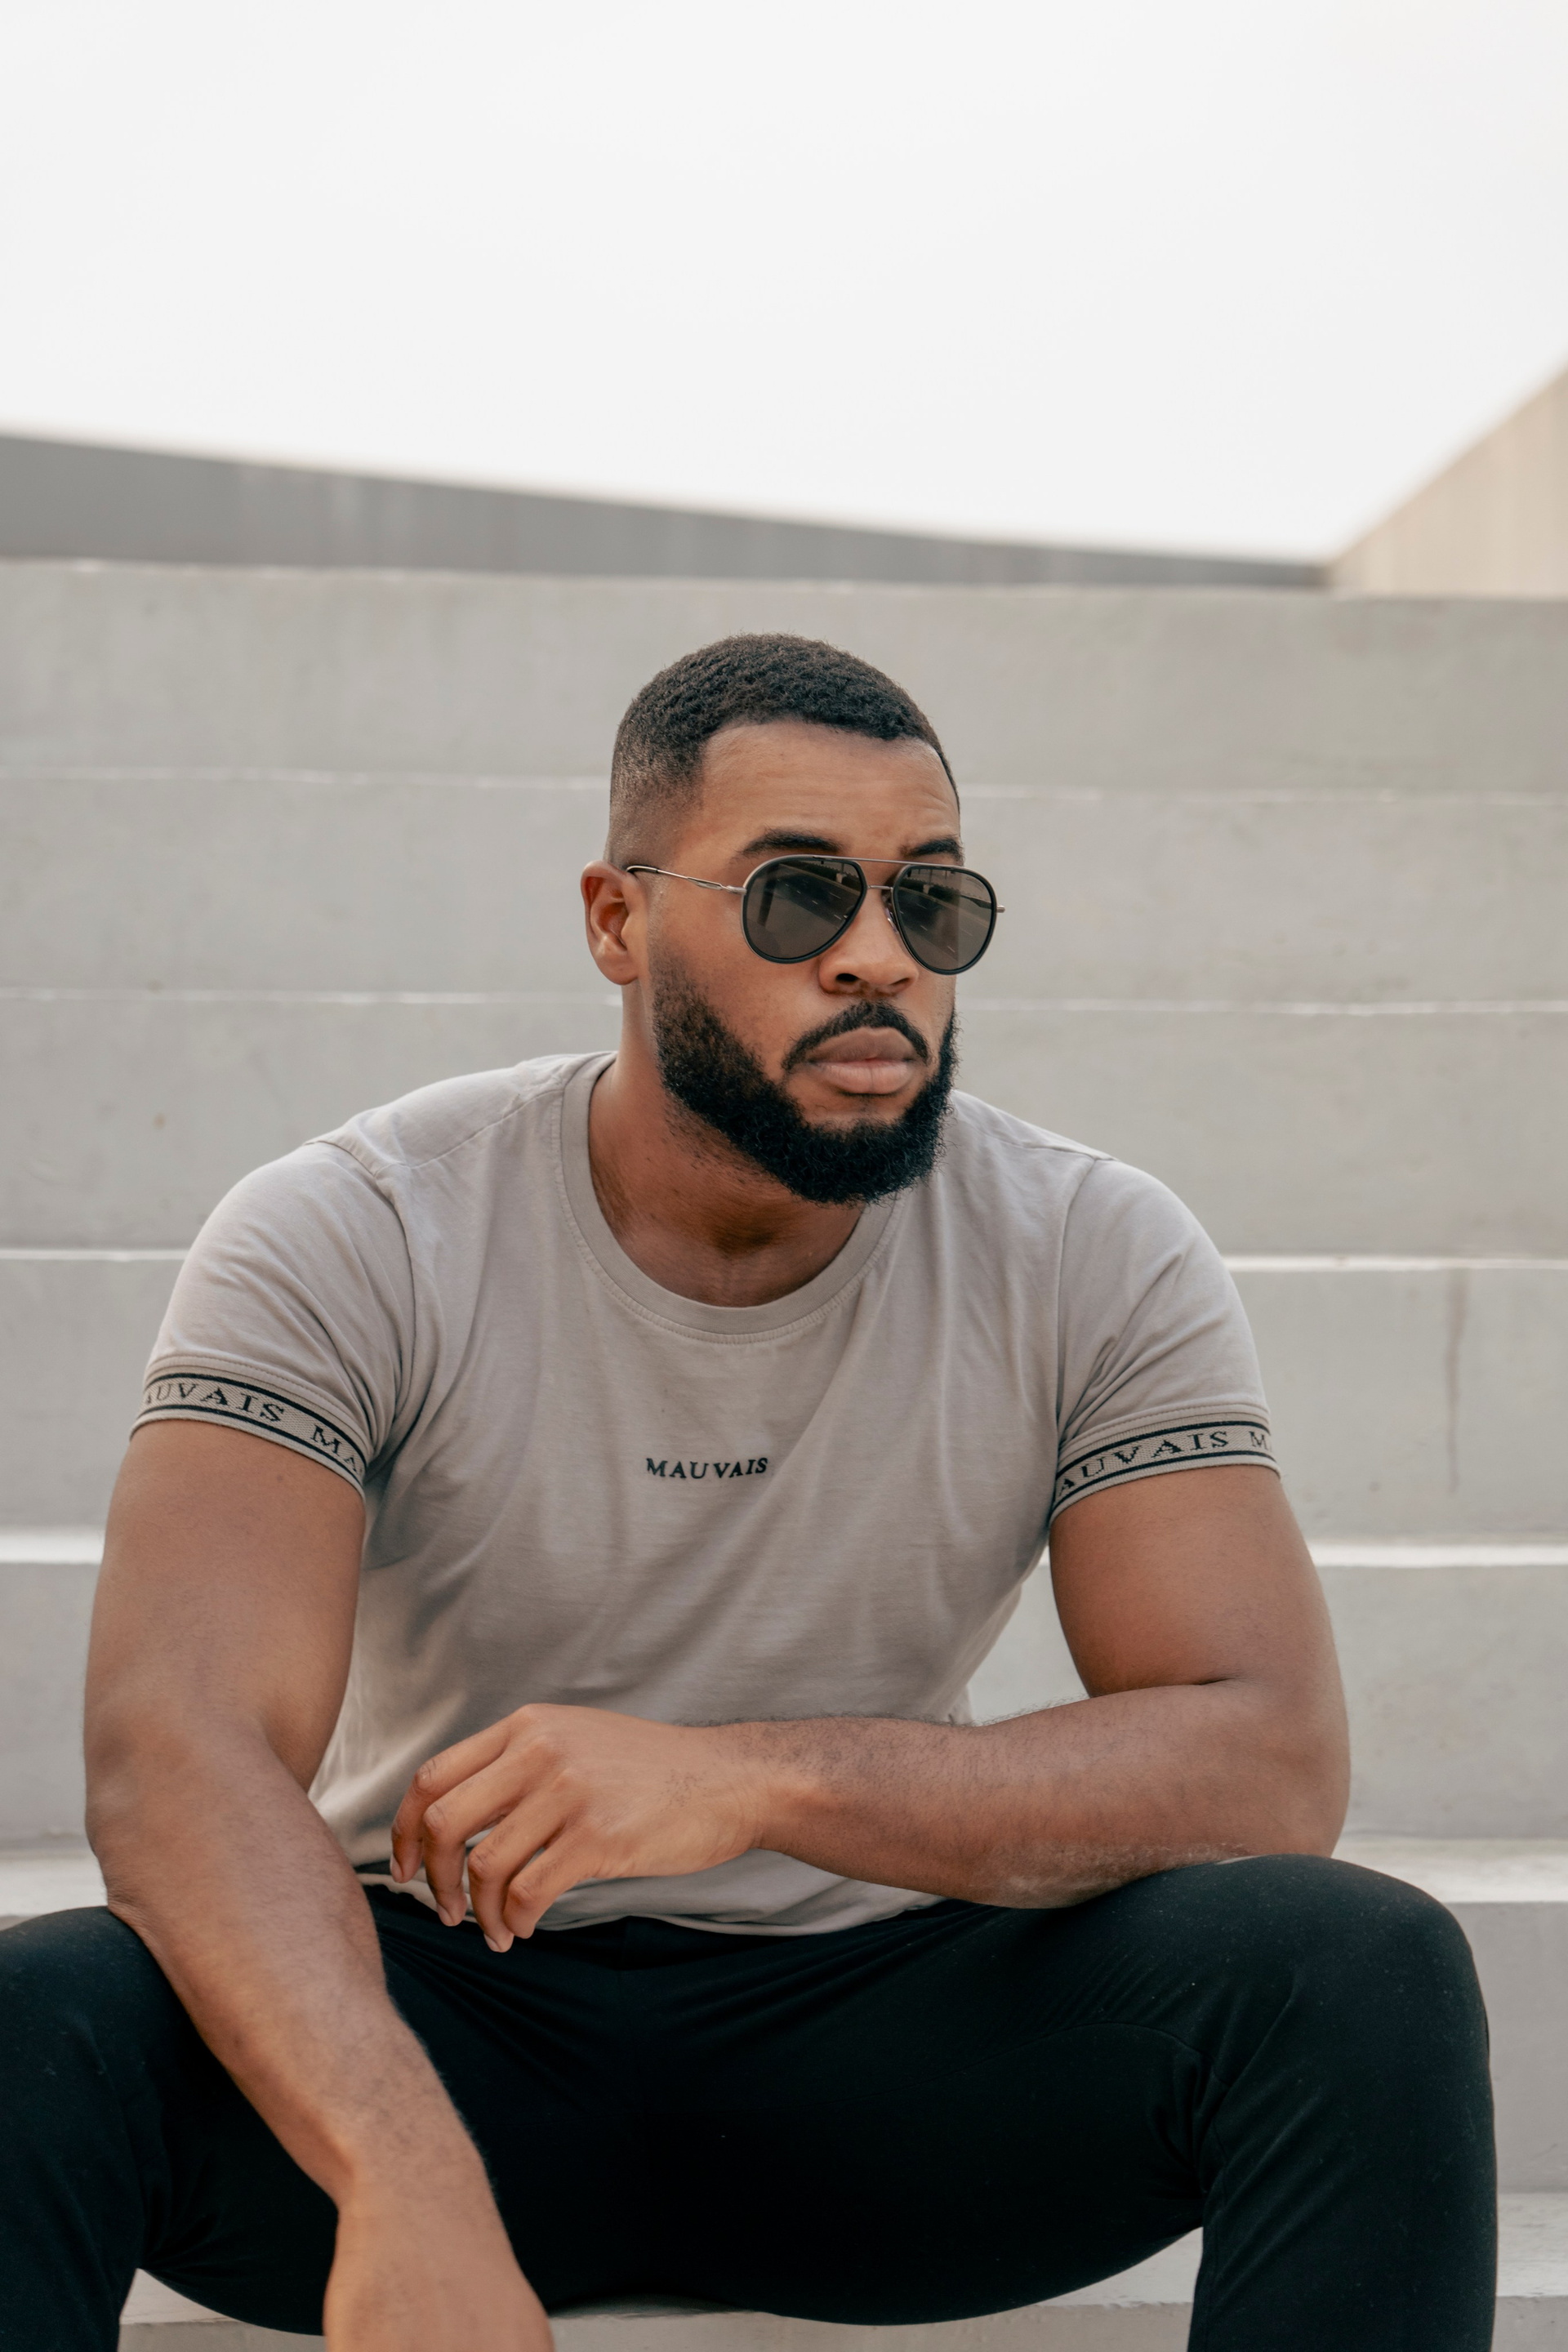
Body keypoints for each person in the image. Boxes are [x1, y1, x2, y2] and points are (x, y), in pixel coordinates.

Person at [1, 635, 1493, 2351]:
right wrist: (400, 2170)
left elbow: (1267, 1757)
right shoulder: (360, 1227)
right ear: (617, 921)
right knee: (39, 2017)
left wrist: (745, 1780)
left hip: (884, 2047)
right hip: (430, 2011)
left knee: (1358, 1968)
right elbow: (176, 1752)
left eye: (931, 901)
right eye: (799, 895)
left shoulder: (1090, 1246)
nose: (879, 956)